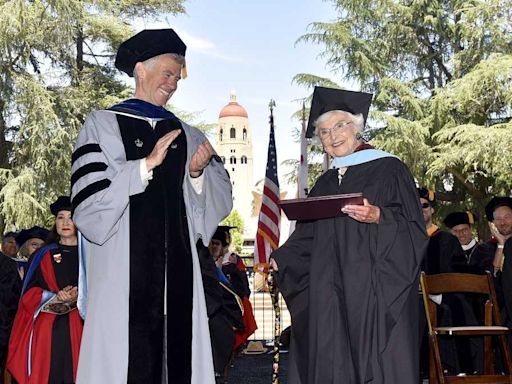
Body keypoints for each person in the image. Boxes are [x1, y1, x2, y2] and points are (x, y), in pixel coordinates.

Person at [71, 29, 232, 384]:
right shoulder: (102, 125)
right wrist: (142, 167)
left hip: (180, 280)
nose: (173, 83)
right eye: (168, 73)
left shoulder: (189, 134)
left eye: (177, 76)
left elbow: (216, 206)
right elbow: (89, 209)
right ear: (141, 69)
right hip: (122, 282)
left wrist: (195, 175)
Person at [270, 86, 428, 383]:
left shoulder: (389, 169)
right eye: (324, 132)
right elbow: (308, 236)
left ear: (357, 127)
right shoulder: (326, 182)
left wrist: (380, 216)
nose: (332, 137)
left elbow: (413, 227)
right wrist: (283, 258)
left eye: (340, 126)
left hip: (372, 290)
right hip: (330, 291)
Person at [6, 196, 83, 384]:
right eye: (60, 217)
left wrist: (81, 294)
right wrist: (54, 297)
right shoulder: (43, 255)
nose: (64, 222)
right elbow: (28, 295)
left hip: (82, 326)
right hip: (48, 330)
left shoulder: (91, 253)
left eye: (70, 217)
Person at [0, 233, 22, 384]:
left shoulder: (7, 265)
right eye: (9, 242)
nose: (13, 246)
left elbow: (10, 303)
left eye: (15, 243)